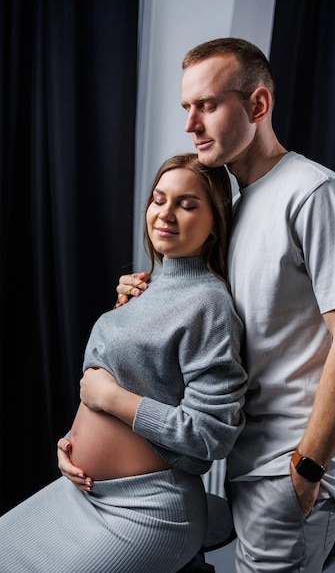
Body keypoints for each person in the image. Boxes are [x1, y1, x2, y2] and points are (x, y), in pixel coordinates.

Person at [59, 38, 335, 573]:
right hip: (240, 461)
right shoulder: (236, 205)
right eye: (187, 107)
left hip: (290, 464)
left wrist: (308, 466)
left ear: (257, 106)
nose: (192, 124)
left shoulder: (314, 193)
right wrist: (142, 297)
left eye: (207, 105)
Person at [0, 153, 247, 573]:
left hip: (148, 508)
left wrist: (112, 399)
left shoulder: (209, 304)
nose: (165, 213)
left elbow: (210, 436)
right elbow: (129, 384)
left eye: (187, 204)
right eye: (158, 199)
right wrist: (70, 445)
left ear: (214, 225)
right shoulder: (141, 289)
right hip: (82, 493)